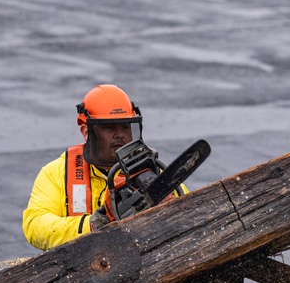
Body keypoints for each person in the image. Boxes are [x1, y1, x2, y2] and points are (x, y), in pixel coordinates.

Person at [22, 84, 183, 251]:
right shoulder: (56, 173)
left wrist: (167, 208)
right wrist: (92, 225)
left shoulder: (153, 172)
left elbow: (186, 214)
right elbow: (35, 225)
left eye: (126, 127)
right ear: (86, 131)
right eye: (109, 127)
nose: (120, 134)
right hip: (77, 266)